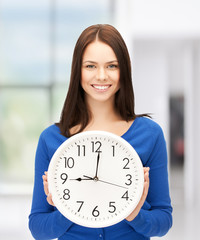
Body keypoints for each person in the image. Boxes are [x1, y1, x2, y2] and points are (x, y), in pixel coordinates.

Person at [29, 24, 173, 240]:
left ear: (123, 70)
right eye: (90, 66)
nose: (102, 76)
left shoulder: (150, 134)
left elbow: (163, 220)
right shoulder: (51, 139)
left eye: (112, 66)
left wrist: (134, 214)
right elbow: (38, 227)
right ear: (77, 70)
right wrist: (68, 209)